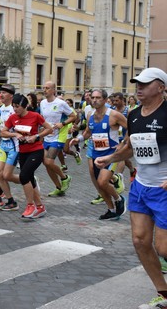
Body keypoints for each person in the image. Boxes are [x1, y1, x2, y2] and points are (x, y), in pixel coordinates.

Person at [95, 68, 167, 309]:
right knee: (139, 241)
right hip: (141, 187)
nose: (139, 87)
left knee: (164, 247)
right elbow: (131, 147)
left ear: (160, 87)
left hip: (165, 188)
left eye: (145, 84)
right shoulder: (134, 115)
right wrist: (110, 158)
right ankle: (164, 294)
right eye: (138, 83)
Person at [72, 89, 127, 220]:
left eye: (98, 98)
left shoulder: (114, 115)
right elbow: (87, 132)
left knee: (103, 182)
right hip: (97, 154)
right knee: (99, 184)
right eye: (93, 97)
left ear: (104, 100)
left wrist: (123, 143)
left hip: (111, 154)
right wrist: (78, 139)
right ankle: (111, 209)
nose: (95, 100)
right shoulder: (90, 115)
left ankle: (119, 199)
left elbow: (130, 127)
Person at [1, 93, 53, 220]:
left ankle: (30, 206)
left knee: (24, 176)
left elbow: (49, 129)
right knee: (30, 179)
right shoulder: (13, 118)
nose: (15, 109)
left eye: (17, 106)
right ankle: (40, 207)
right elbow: (3, 131)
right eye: (13, 106)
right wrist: (15, 135)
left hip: (36, 150)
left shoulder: (35, 116)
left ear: (24, 106)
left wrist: (36, 136)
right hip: (23, 152)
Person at [39, 81, 77, 197]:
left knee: (49, 161)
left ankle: (65, 178)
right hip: (47, 135)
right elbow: (43, 118)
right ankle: (59, 187)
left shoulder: (61, 103)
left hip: (58, 136)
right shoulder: (42, 103)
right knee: (46, 163)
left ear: (54, 90)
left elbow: (74, 116)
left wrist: (63, 123)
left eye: (48, 88)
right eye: (44, 87)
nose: (45, 90)